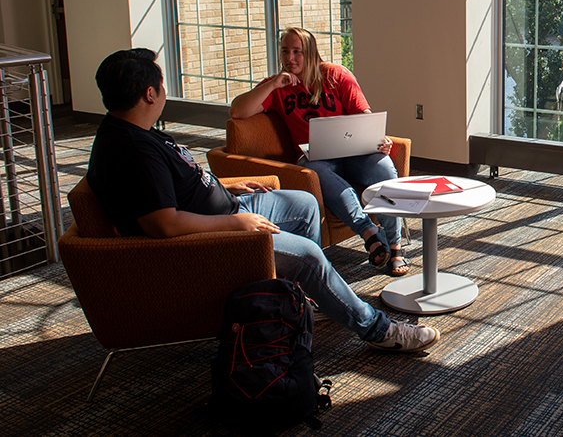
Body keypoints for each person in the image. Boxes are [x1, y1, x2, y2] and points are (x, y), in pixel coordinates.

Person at [86, 48, 439, 352]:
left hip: (226, 206)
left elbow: (175, 189)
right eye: (162, 84)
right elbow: (164, 224)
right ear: (150, 94)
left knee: (304, 203)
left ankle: (299, 302)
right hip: (212, 236)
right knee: (310, 257)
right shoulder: (134, 152)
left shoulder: (131, 134)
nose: (164, 90)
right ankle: (378, 330)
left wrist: (226, 186)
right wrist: (235, 222)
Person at [229, 27, 409, 277]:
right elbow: (237, 111)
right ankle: (369, 232)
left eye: (297, 52)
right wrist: (272, 83)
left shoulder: (336, 75)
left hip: (355, 151)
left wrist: (379, 139)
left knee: (383, 167)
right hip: (318, 157)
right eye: (284, 51)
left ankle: (395, 244)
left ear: (311, 53)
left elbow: (364, 115)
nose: (289, 58)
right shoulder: (279, 87)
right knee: (314, 170)